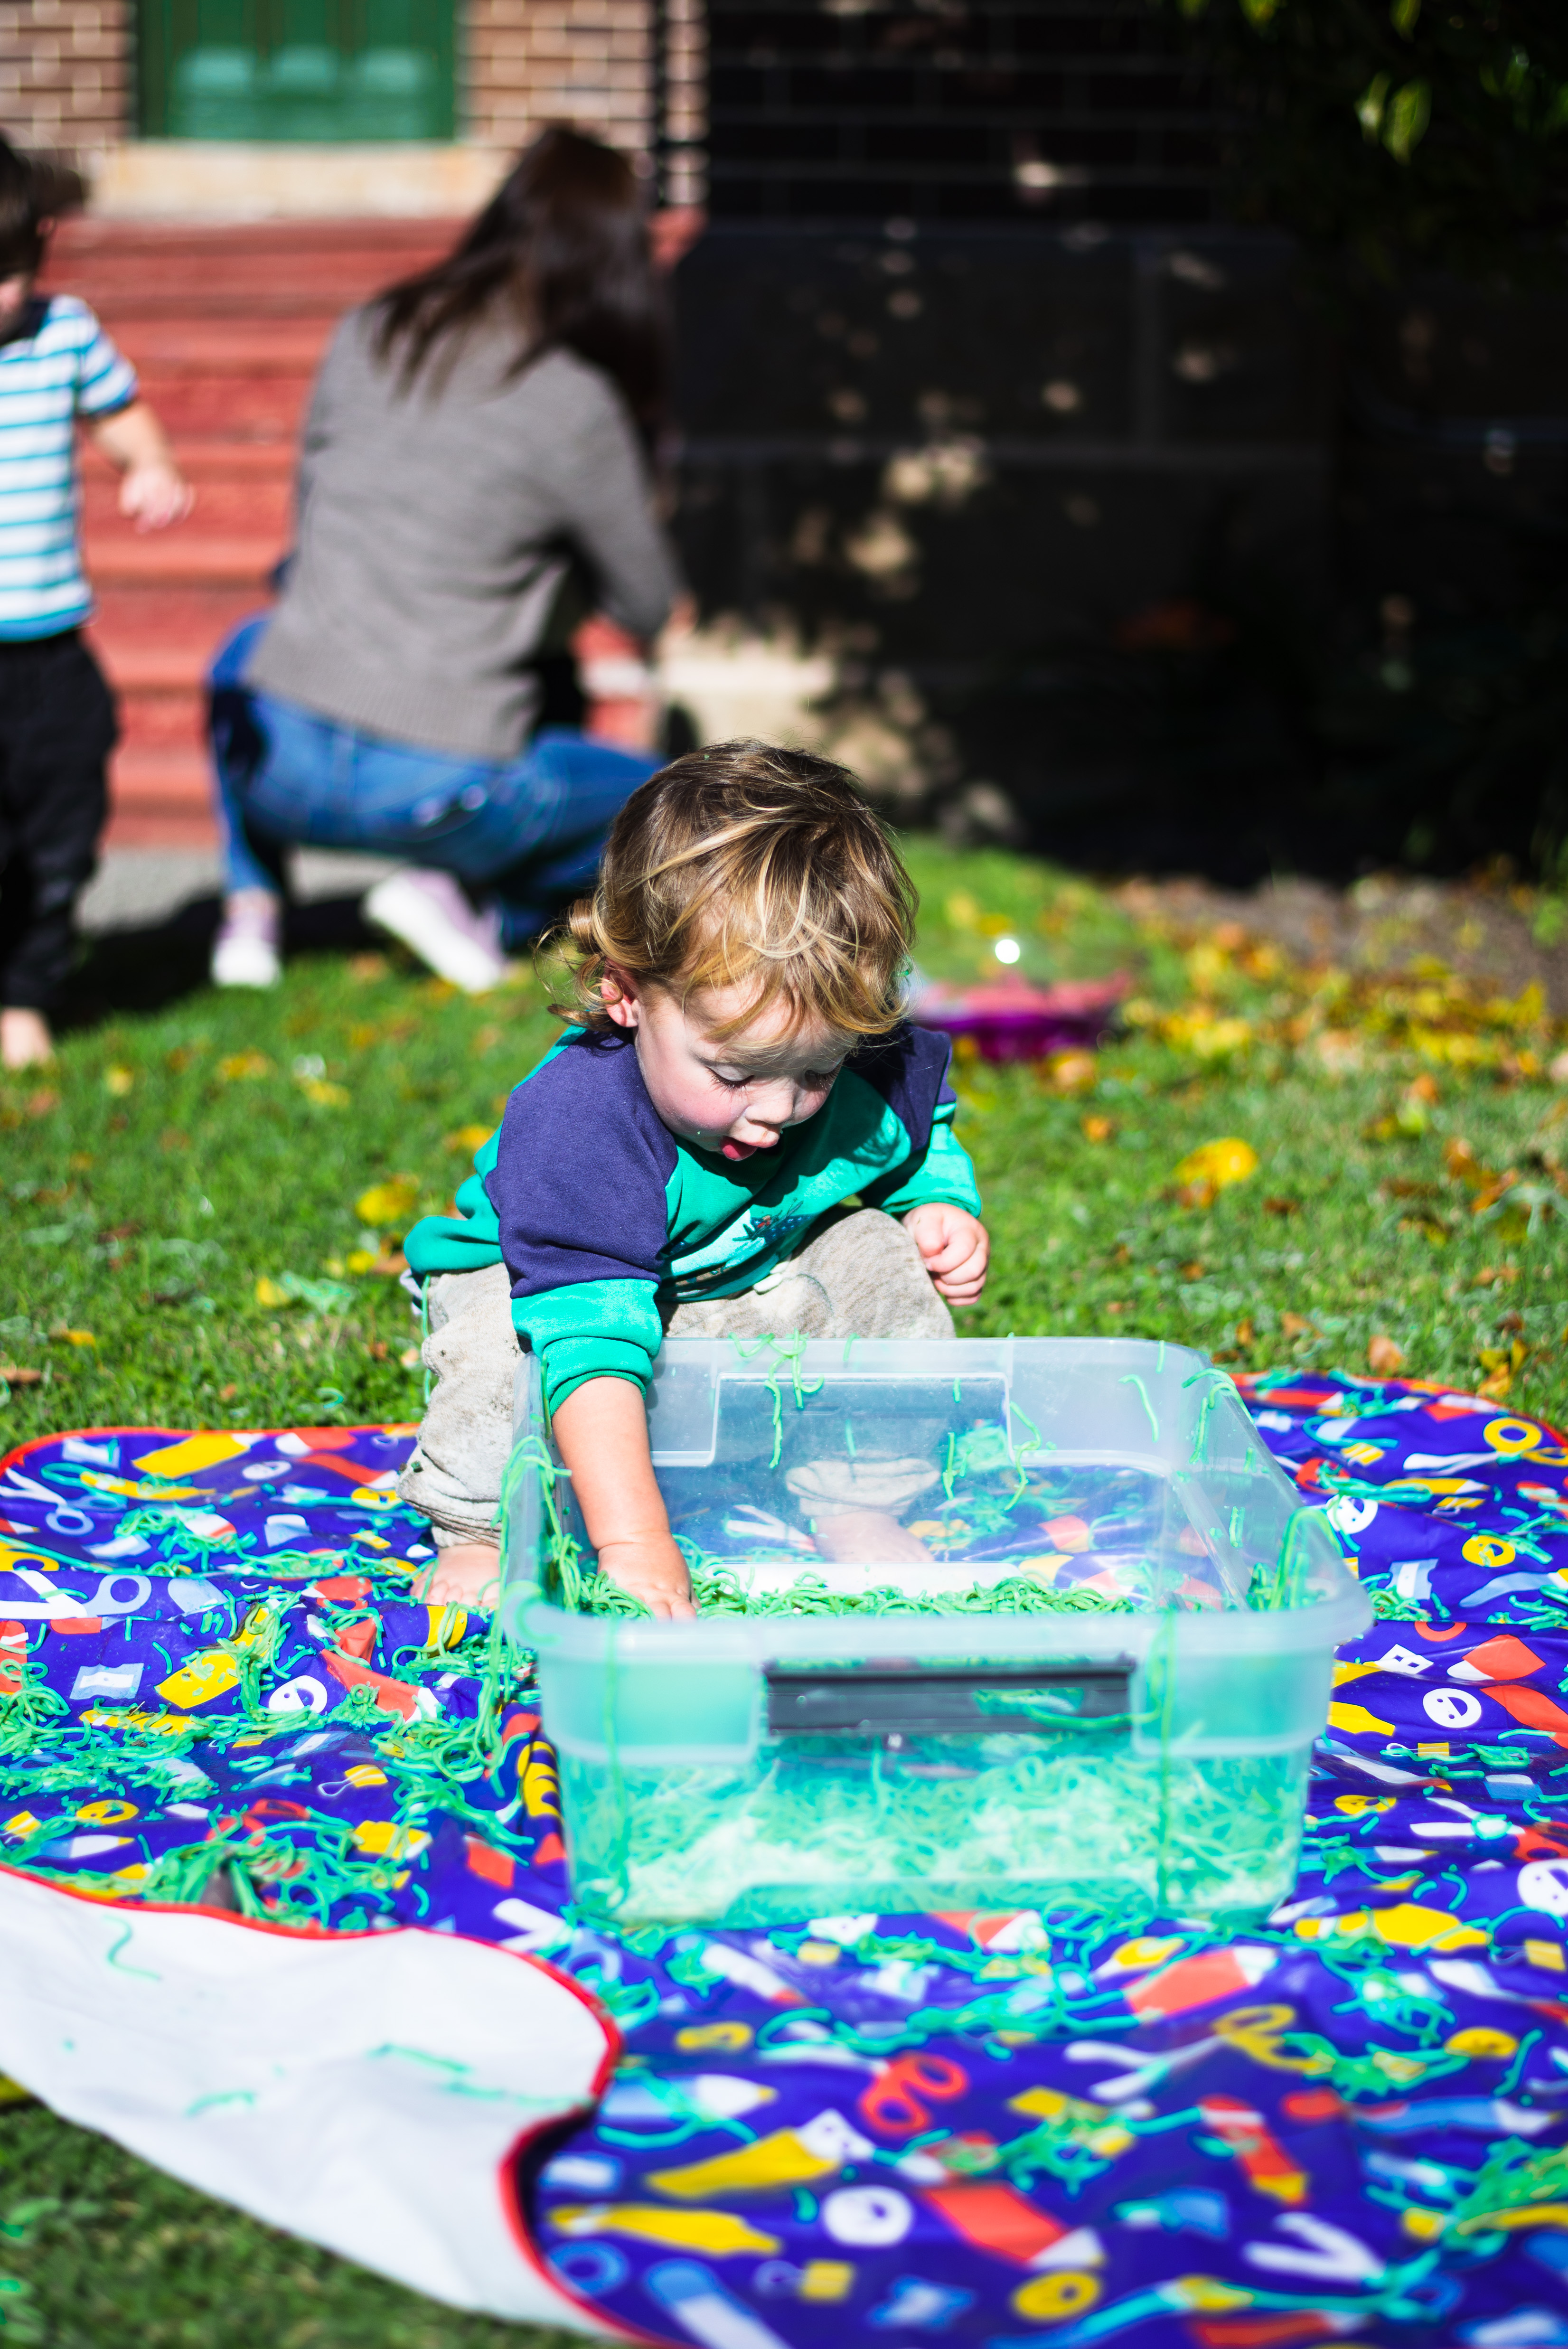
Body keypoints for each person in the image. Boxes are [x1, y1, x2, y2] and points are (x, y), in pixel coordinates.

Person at [396, 740, 992, 1613]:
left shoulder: (849, 1057)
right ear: (626, 993)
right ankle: (480, 1530)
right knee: (499, 1354)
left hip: (727, 1280)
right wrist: (635, 1542)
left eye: (817, 1072)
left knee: (878, 1254)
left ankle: (855, 1499)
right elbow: (590, 1351)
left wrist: (937, 1199)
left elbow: (917, 1119)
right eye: (735, 1074)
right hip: (549, 1295)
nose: (779, 1111)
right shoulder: (581, 1128)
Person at [207, 125, 681, 995]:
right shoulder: (576, 402)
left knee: (244, 649)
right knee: (658, 805)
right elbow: (646, 603)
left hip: (275, 763)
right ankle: (476, 908)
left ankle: (252, 908)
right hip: (444, 792)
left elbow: (309, 529)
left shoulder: (371, 329)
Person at [0, 140, 191, 1070]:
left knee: (62, 828)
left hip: (51, 648)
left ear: (40, 244)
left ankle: (25, 992)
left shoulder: (63, 332)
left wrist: (149, 462)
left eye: (3, 275)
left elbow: (118, 412)